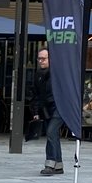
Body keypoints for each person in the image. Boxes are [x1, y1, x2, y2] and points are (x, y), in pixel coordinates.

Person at [31, 47, 64, 175]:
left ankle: (50, 163)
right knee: (53, 134)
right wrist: (35, 112)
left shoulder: (58, 74)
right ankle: (58, 165)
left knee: (51, 132)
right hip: (46, 108)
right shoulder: (38, 74)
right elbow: (35, 94)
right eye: (39, 58)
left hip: (59, 107)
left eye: (43, 58)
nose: (41, 61)